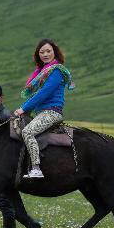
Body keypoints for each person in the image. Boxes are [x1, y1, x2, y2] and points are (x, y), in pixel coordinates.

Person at [14, 39, 74, 179]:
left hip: (52, 112)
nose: (45, 54)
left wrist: (24, 108)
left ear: (55, 53)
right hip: (41, 112)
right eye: (42, 52)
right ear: (38, 54)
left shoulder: (57, 71)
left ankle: (36, 168)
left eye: (48, 51)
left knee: (27, 132)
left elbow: (43, 93)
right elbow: (35, 93)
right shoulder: (41, 72)